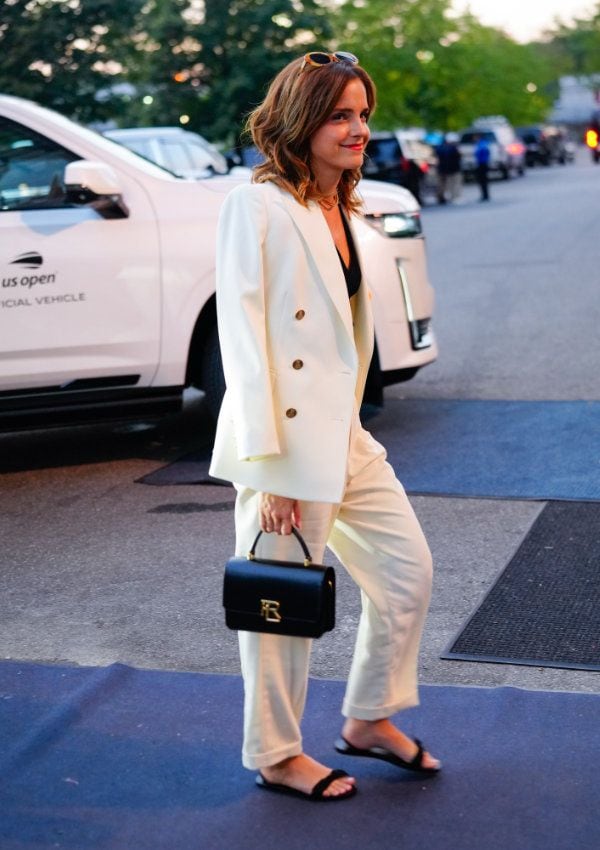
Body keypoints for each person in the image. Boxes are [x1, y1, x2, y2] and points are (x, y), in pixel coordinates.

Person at [210, 51, 441, 802]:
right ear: (302, 120)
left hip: (346, 439)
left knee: (407, 574)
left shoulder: (340, 203)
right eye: (341, 114)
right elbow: (244, 341)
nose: (359, 128)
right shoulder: (258, 207)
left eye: (363, 113)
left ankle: (370, 717)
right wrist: (265, 468)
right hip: (286, 446)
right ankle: (276, 755)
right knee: (278, 610)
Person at [436, 133, 462, 204]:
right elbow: (458, 157)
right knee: (454, 183)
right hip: (453, 169)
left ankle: (442, 197)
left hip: (443, 169)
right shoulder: (453, 148)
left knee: (445, 184)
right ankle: (455, 196)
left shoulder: (439, 147)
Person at [474, 133, 491, 201]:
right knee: (482, 181)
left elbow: (483, 153)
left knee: (483, 180)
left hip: (482, 164)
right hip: (482, 163)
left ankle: (485, 195)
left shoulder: (481, 144)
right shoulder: (481, 144)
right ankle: (484, 195)